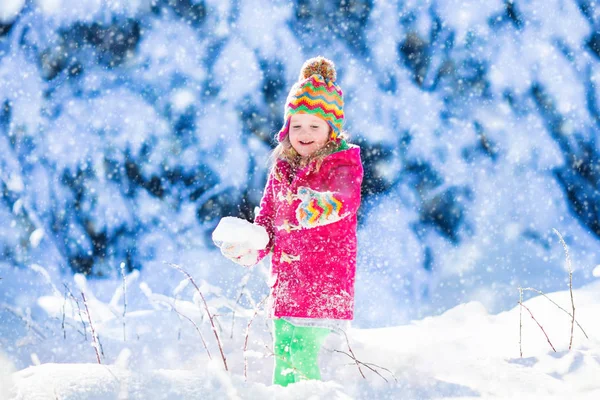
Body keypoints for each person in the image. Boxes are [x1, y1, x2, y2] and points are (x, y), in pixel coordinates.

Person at [220, 56, 363, 386]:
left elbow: (342, 201)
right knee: (286, 360)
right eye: (297, 125)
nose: (304, 133)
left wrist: (304, 207)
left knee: (302, 360)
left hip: (323, 283)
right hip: (287, 287)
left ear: (331, 130)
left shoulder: (343, 164)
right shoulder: (282, 169)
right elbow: (268, 221)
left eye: (314, 126)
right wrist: (251, 245)